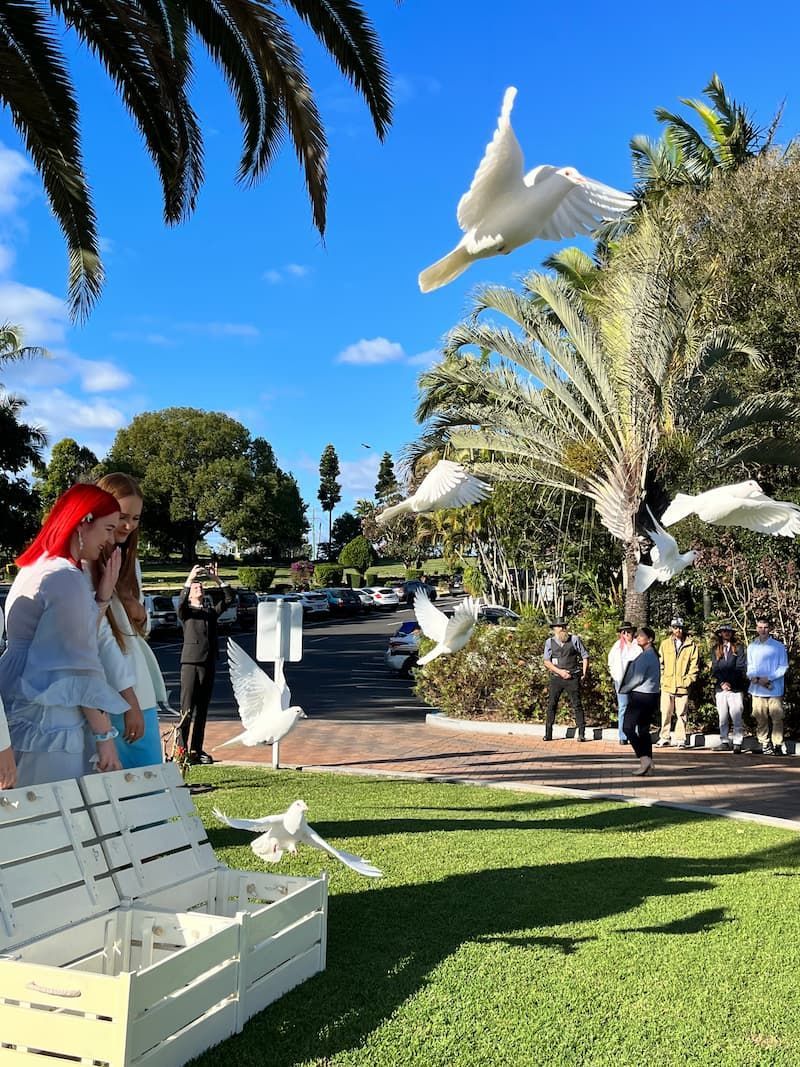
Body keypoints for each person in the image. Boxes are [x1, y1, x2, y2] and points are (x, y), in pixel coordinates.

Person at [0, 485, 126, 786]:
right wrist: (104, 736)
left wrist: (101, 599)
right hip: (50, 714)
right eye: (108, 528)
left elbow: (72, 641)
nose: (110, 540)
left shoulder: (35, 567)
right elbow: (77, 666)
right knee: (54, 804)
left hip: (19, 697)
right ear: (83, 522)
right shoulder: (65, 578)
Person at [92, 472, 167, 768]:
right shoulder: (86, 561)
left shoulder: (130, 561)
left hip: (138, 688)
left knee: (149, 777)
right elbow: (96, 635)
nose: (128, 526)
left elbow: (140, 628)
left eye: (135, 518)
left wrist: (132, 604)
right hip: (108, 692)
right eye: (122, 517)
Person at [178, 562, 234, 765]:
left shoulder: (210, 612)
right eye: (195, 587)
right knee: (187, 709)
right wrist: (190, 579)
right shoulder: (187, 612)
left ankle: (196, 750)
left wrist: (216, 579)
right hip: (191, 663)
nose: (199, 588)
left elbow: (229, 599)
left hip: (208, 663)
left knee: (202, 710)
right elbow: (181, 603)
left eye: (201, 586)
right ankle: (181, 750)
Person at [619, 626, 660, 776]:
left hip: (640, 696)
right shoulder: (652, 654)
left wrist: (624, 689)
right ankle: (649, 763)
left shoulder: (646, 656)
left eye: (641, 636)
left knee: (627, 727)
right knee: (643, 730)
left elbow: (638, 678)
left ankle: (644, 759)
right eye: (637, 635)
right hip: (651, 696)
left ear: (650, 639)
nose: (637, 637)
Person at [746, 616, 789, 756]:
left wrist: (768, 678)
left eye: (765, 627)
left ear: (769, 629)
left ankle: (777, 744)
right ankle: (763, 743)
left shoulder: (778, 646)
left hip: (774, 689)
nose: (763, 630)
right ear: (756, 629)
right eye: (760, 627)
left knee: (777, 718)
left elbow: (783, 667)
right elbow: (750, 666)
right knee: (760, 718)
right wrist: (755, 677)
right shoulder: (752, 646)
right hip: (757, 689)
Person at [656, 617, 700, 749]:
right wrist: (662, 679)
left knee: (681, 714)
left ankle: (680, 739)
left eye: (680, 628)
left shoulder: (691, 645)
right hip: (667, 684)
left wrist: (688, 680)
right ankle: (664, 737)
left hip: (682, 686)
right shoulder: (665, 644)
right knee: (665, 712)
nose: (678, 630)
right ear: (671, 629)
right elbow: (660, 663)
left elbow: (694, 665)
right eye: (675, 628)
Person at [543, 617, 589, 741]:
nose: (561, 629)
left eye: (563, 626)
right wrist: (560, 672)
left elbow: (585, 656)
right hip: (557, 678)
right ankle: (548, 733)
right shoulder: (549, 642)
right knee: (552, 704)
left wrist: (584, 673)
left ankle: (581, 733)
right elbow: (546, 661)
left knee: (577, 704)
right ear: (554, 629)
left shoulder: (574, 639)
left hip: (572, 677)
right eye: (558, 627)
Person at [709, 623, 747, 753]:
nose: (726, 633)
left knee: (736, 715)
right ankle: (724, 741)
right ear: (720, 634)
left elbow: (740, 667)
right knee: (723, 716)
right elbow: (715, 668)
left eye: (729, 631)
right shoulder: (715, 649)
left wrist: (730, 683)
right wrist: (722, 683)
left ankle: (737, 742)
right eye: (724, 631)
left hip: (735, 688)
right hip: (721, 688)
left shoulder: (738, 648)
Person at [607, 621, 641, 745]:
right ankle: (623, 735)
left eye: (628, 632)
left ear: (633, 633)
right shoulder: (617, 646)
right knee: (623, 707)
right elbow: (611, 662)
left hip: (635, 682)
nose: (626, 634)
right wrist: (616, 676)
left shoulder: (638, 646)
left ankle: (634, 733)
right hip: (621, 681)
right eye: (624, 632)